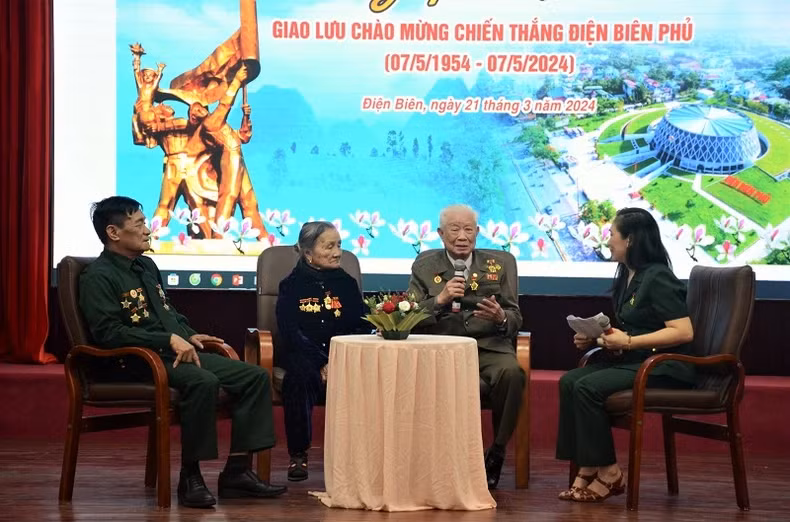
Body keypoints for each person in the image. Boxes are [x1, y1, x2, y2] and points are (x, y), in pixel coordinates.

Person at [79, 196, 286, 508]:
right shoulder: (98, 276)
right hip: (134, 360)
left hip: (169, 352)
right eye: (139, 224)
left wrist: (188, 334)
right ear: (114, 233)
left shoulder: (146, 266)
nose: (148, 230)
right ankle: (191, 476)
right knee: (202, 382)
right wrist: (168, 340)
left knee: (254, 376)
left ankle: (237, 472)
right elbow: (109, 333)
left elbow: (167, 312)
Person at [556, 207, 695, 503]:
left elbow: (683, 332)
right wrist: (597, 336)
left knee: (587, 387)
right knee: (570, 381)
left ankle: (608, 472)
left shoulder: (658, 277)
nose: (607, 241)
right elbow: (639, 326)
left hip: (664, 367)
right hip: (636, 359)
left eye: (611, 234)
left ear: (630, 240)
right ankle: (590, 464)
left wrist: (628, 341)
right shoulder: (628, 274)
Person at [407, 204, 526, 489]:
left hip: (489, 347)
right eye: (455, 230)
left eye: (468, 229)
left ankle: (496, 452)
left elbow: (515, 316)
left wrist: (500, 318)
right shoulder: (425, 266)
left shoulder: (499, 265)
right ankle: (429, 460)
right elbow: (406, 315)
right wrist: (439, 300)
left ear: (477, 232)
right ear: (440, 233)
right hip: (442, 349)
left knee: (513, 373)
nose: (462, 237)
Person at [275, 222, 368, 481]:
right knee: (300, 378)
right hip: (303, 353)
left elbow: (360, 324)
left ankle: (362, 456)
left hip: (344, 354)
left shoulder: (346, 283)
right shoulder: (290, 285)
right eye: (329, 246)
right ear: (308, 254)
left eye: (339, 245)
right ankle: (298, 455)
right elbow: (290, 332)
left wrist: (338, 359)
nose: (338, 252)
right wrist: (321, 362)